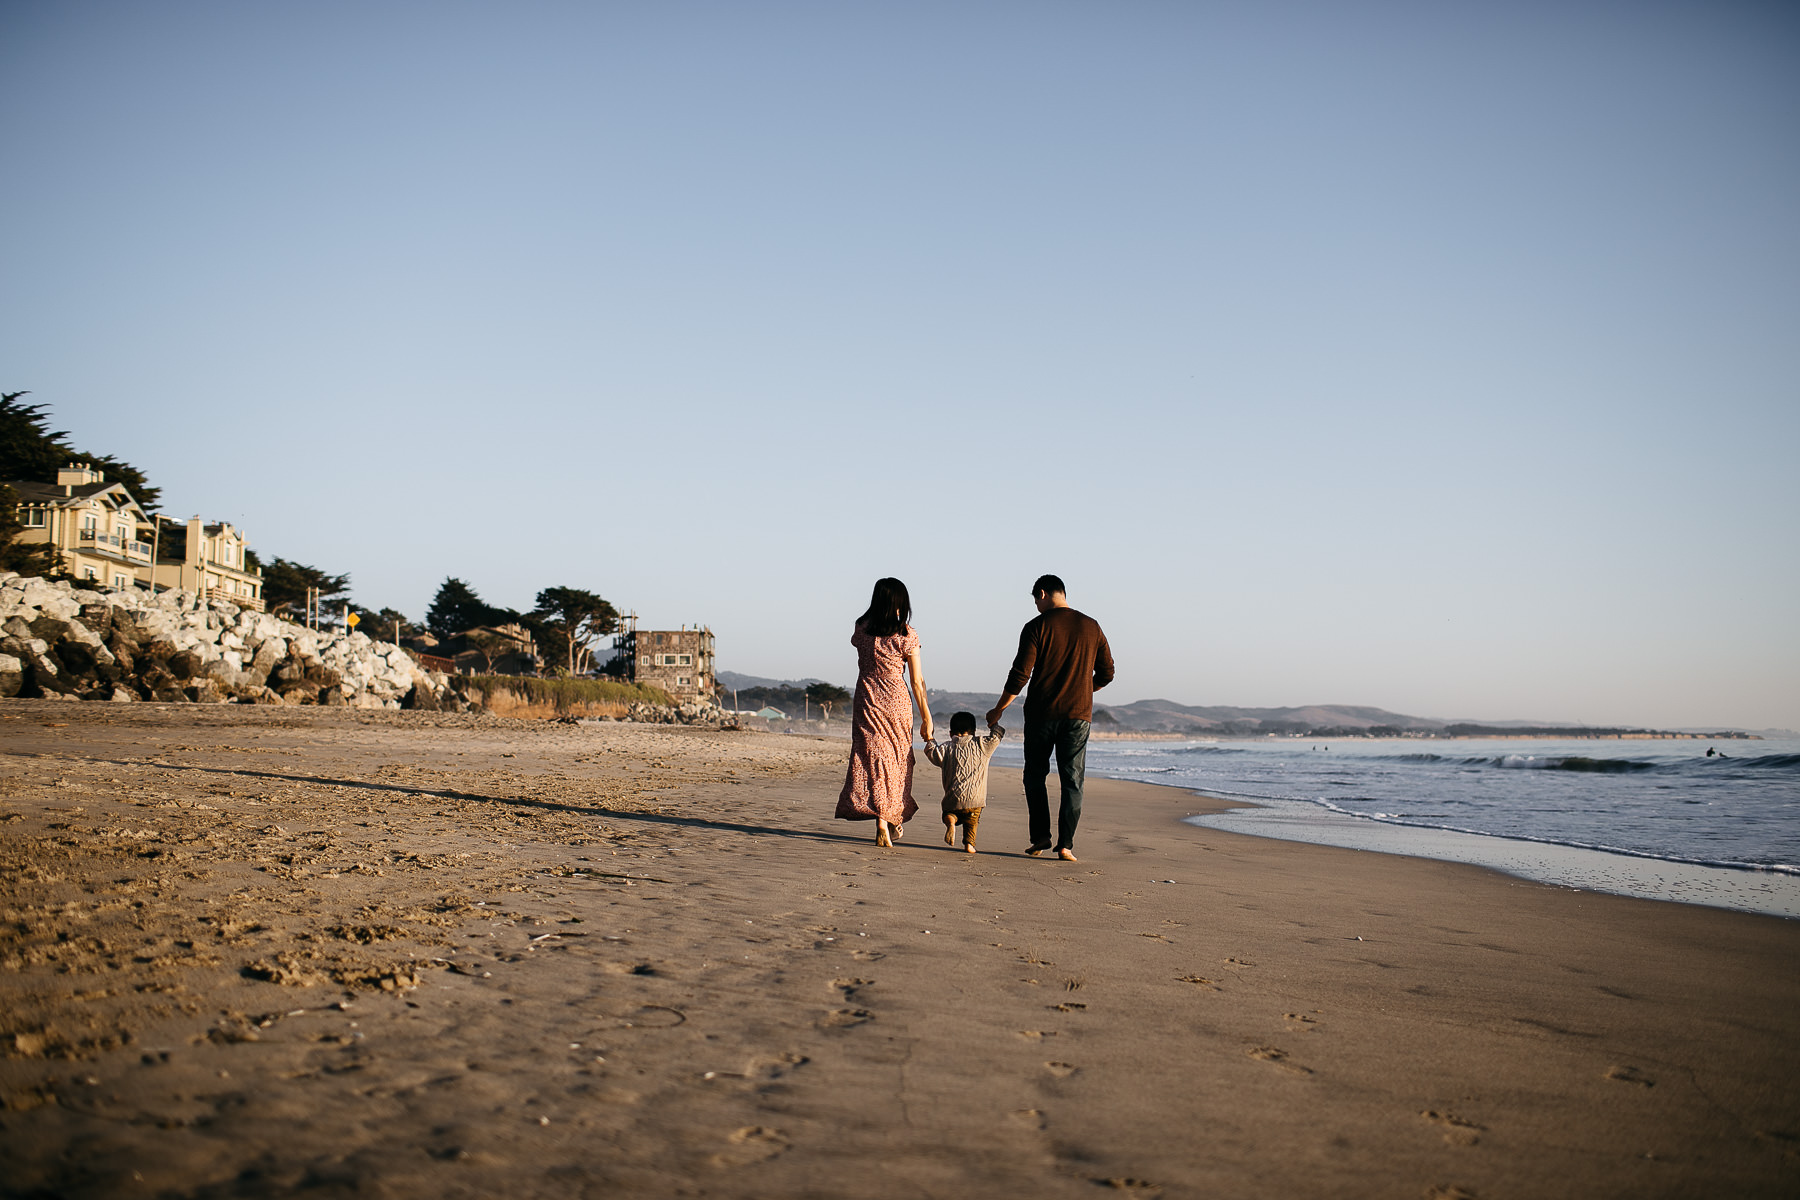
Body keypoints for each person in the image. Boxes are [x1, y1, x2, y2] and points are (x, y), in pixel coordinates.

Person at [986, 574, 1114, 862]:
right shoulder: (1092, 627)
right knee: (1073, 780)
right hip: (1078, 717)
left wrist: (999, 709)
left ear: (1042, 593)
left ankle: (1041, 836)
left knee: (1035, 776)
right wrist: (1083, 689)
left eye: (1035, 600)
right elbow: (1107, 673)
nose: (1036, 605)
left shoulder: (1036, 627)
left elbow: (1020, 675)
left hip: (1041, 715)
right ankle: (1066, 845)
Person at [836, 577, 934, 847]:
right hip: (896, 700)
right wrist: (927, 716)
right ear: (901, 602)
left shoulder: (862, 628)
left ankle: (881, 817)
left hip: (867, 696)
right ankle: (889, 817)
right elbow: (916, 682)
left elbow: (860, 642)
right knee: (897, 759)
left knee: (871, 757)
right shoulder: (906, 635)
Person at [923, 711, 1005, 854]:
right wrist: (994, 723)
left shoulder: (946, 747)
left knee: (949, 812)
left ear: (950, 733)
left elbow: (933, 753)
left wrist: (929, 738)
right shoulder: (982, 744)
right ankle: (969, 845)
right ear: (973, 731)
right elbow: (996, 736)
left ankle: (950, 820)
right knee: (972, 822)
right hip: (975, 799)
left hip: (953, 799)